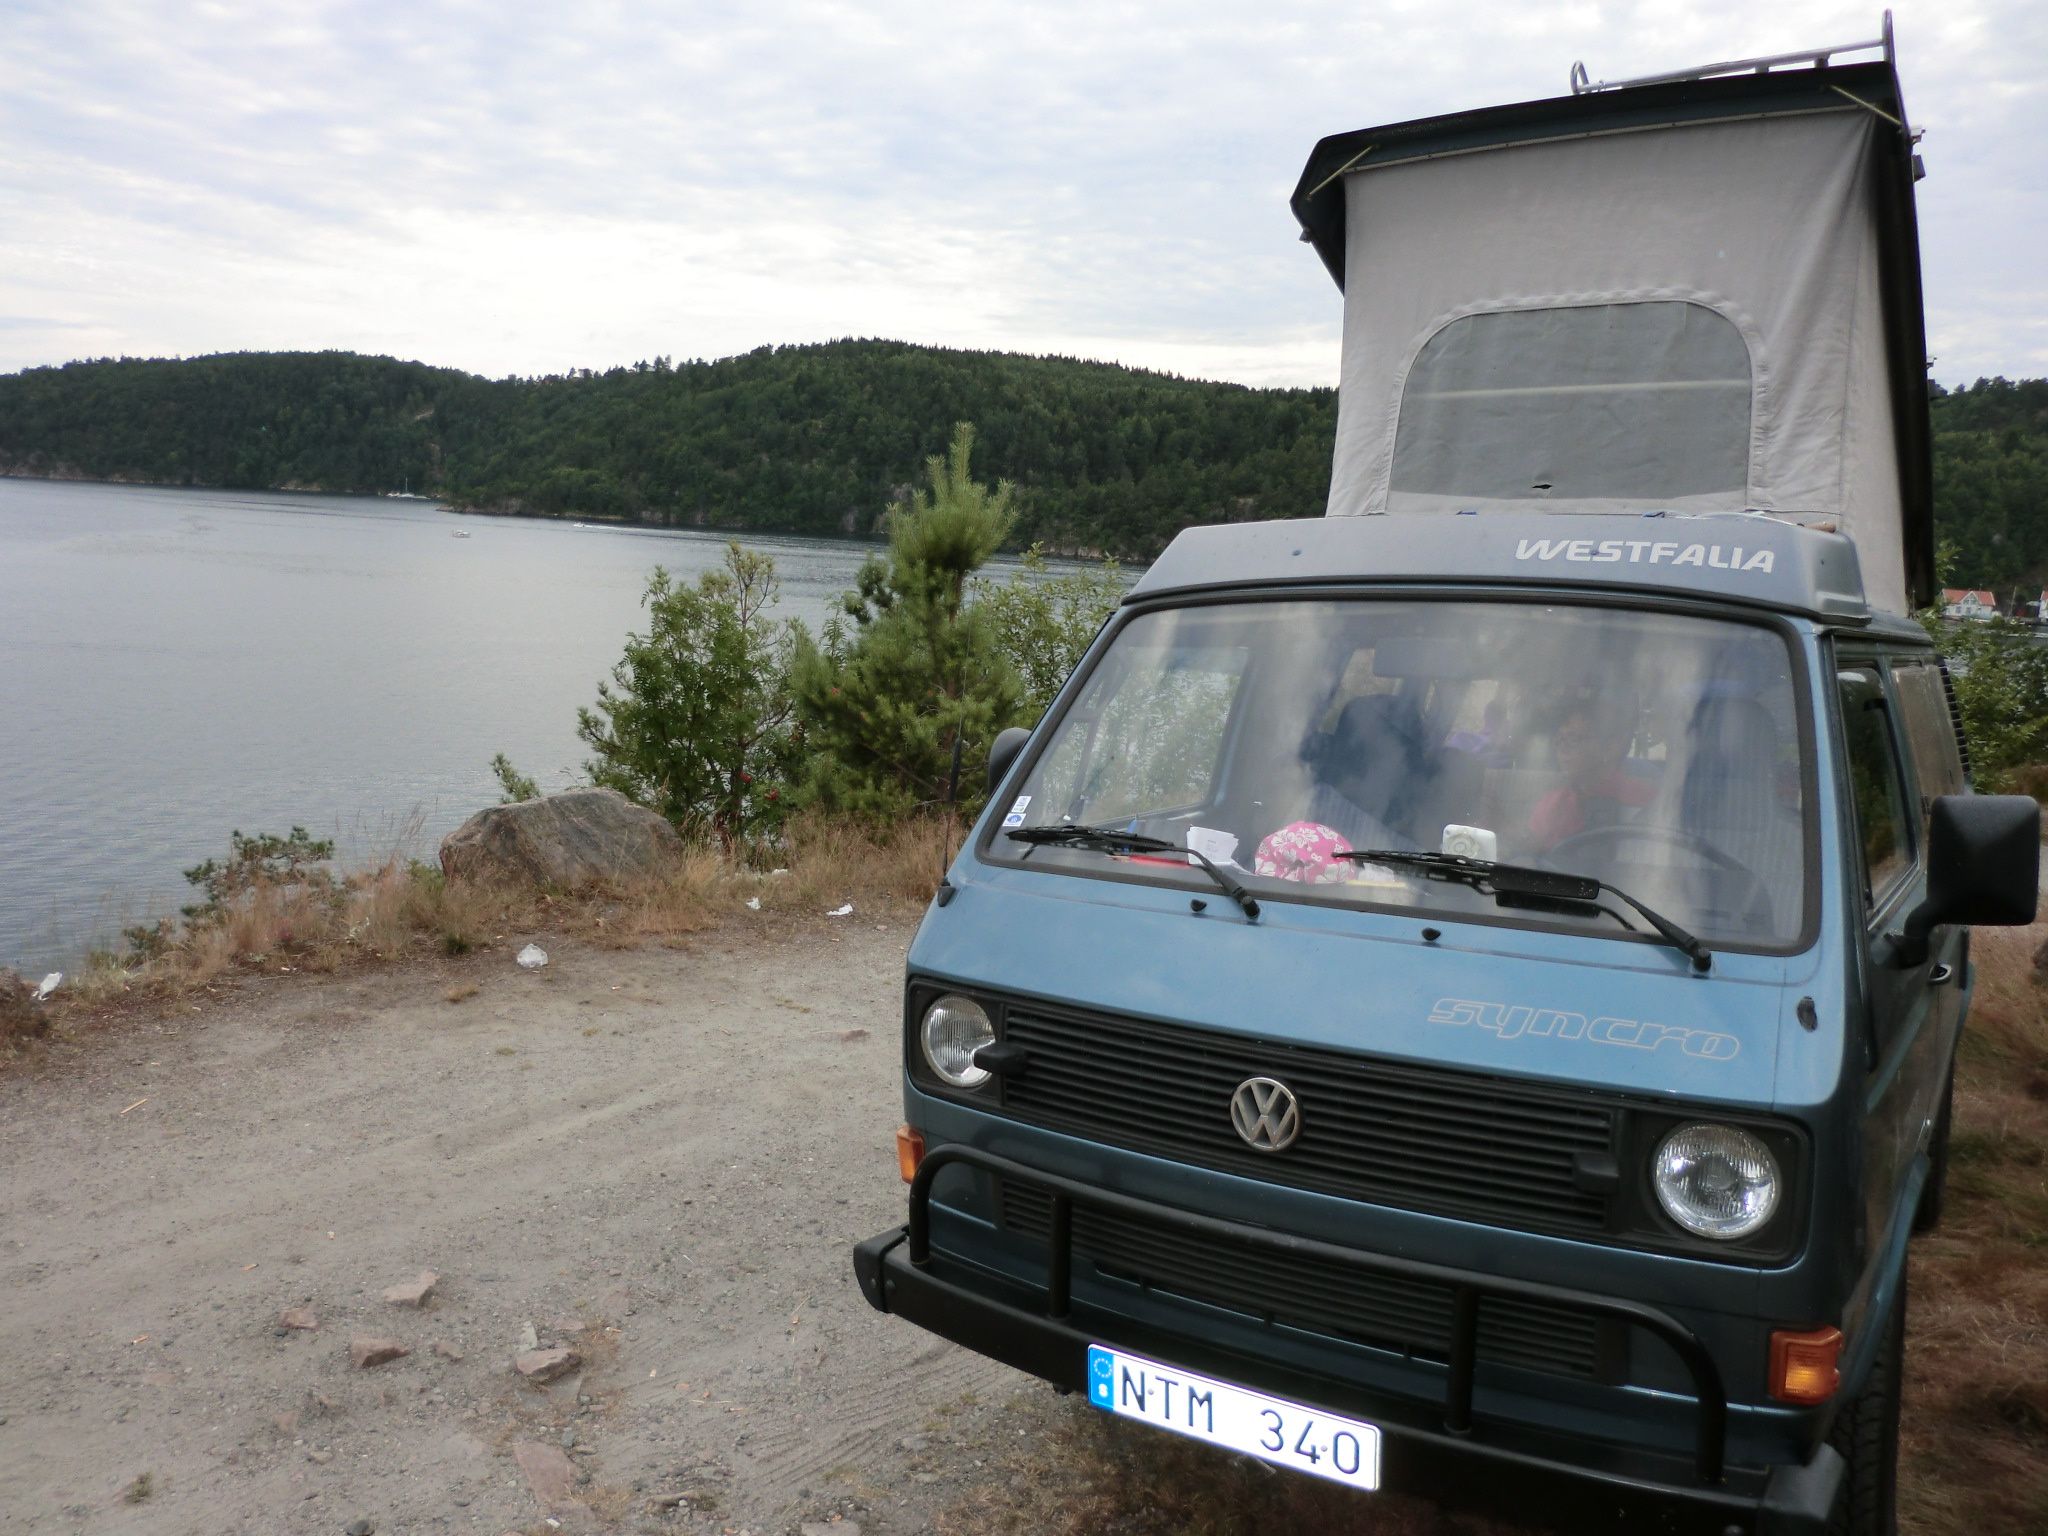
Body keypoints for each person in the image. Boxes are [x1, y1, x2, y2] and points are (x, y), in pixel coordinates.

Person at [1527, 705, 1653, 852]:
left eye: (1574, 739)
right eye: (1560, 739)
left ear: (1610, 748)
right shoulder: (1552, 804)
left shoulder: (1645, 801)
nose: (1562, 748)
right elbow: (1530, 856)